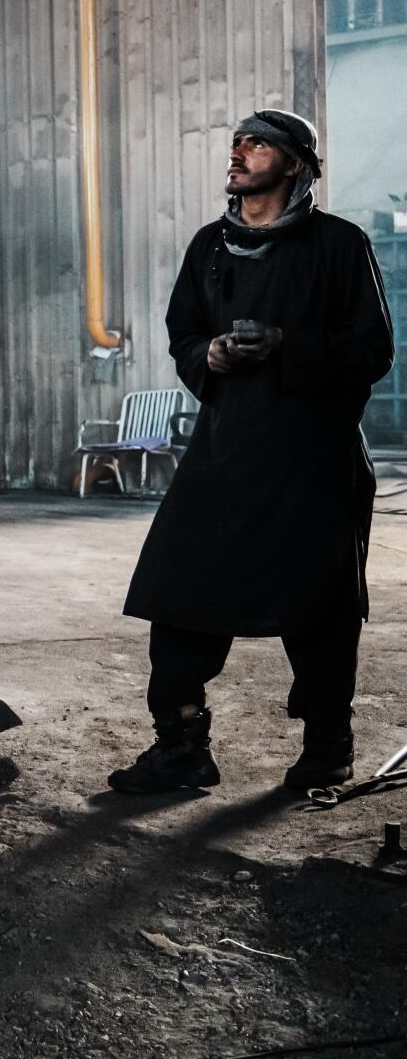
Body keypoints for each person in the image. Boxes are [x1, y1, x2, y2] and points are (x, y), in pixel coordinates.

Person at [110, 110, 393, 795]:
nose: (238, 152)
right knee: (175, 595)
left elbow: (372, 351)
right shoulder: (210, 245)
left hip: (313, 461)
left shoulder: (340, 245)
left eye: (257, 142)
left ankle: (328, 750)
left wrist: (286, 347)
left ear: (294, 163)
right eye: (236, 141)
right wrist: (208, 352)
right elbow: (183, 332)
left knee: (319, 610)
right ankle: (181, 749)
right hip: (224, 454)